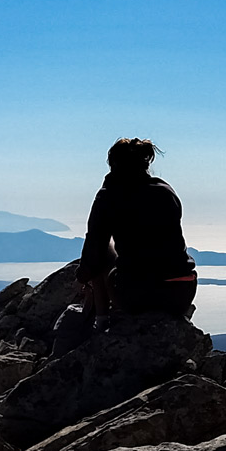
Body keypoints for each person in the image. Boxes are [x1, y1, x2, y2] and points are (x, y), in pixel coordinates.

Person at [76, 138, 197, 326]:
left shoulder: (109, 195)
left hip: (137, 296)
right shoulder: (165, 191)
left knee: (103, 248)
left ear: (113, 164)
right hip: (182, 293)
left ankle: (101, 322)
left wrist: (82, 277)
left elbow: (94, 245)